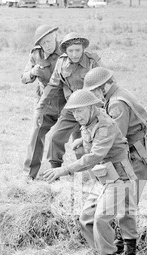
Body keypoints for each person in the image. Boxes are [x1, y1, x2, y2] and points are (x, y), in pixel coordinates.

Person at [43, 89, 138, 255]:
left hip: (119, 177)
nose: (77, 116)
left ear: (92, 108)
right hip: (104, 176)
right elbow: (91, 142)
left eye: (80, 111)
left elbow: (94, 156)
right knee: (85, 218)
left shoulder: (105, 125)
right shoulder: (88, 122)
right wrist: (81, 141)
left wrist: (65, 170)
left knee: (101, 218)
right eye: (74, 112)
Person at [82, 66, 147, 255]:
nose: (95, 95)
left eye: (96, 90)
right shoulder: (115, 96)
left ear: (106, 85)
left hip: (137, 155)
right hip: (132, 152)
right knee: (124, 201)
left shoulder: (116, 105)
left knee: (127, 204)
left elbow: (116, 137)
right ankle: (122, 244)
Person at [37, 32, 102, 170]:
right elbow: (53, 85)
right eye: (70, 51)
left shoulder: (92, 61)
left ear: (83, 49)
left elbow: (106, 82)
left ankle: (93, 175)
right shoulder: (61, 62)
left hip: (92, 109)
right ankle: (55, 171)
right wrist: (40, 107)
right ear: (65, 51)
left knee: (86, 144)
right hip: (72, 107)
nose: (74, 54)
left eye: (78, 50)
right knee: (55, 137)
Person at [21, 25, 66, 180]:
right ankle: (29, 175)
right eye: (43, 43)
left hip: (66, 101)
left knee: (70, 138)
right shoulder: (36, 54)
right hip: (44, 103)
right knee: (36, 135)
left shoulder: (67, 50)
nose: (47, 45)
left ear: (56, 36)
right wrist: (33, 72)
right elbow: (24, 77)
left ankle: (57, 174)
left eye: (49, 41)